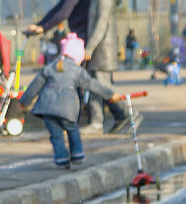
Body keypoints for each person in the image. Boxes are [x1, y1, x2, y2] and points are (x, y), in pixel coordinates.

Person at [17, 33, 124, 169]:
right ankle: (77, 154)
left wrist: (24, 101)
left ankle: (62, 160)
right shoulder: (77, 71)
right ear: (78, 55)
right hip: (67, 109)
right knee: (72, 130)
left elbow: (35, 85)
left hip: (48, 108)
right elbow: (93, 85)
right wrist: (110, 95)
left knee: (56, 136)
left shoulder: (51, 67)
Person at [83, 0, 130, 134]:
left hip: (103, 50)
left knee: (104, 86)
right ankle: (96, 123)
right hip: (99, 49)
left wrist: (89, 48)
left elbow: (101, 26)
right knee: (94, 86)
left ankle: (131, 112)